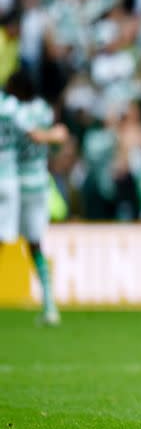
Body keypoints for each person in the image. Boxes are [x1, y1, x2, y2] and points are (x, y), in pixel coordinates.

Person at [6, 69, 69, 325]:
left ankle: (49, 305)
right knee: (35, 244)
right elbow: (56, 144)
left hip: (15, 181)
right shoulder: (43, 110)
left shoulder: (11, 110)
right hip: (39, 183)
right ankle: (50, 304)